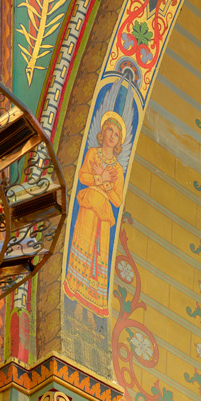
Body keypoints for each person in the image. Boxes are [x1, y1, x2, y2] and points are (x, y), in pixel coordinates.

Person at [65, 108, 128, 312]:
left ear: (119, 141)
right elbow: (83, 176)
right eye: (110, 130)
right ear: (103, 131)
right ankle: (73, 293)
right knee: (82, 246)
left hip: (103, 213)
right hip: (88, 207)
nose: (112, 136)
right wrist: (100, 178)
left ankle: (90, 305)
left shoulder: (118, 170)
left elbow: (117, 201)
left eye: (116, 134)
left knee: (97, 257)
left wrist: (107, 184)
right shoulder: (92, 153)